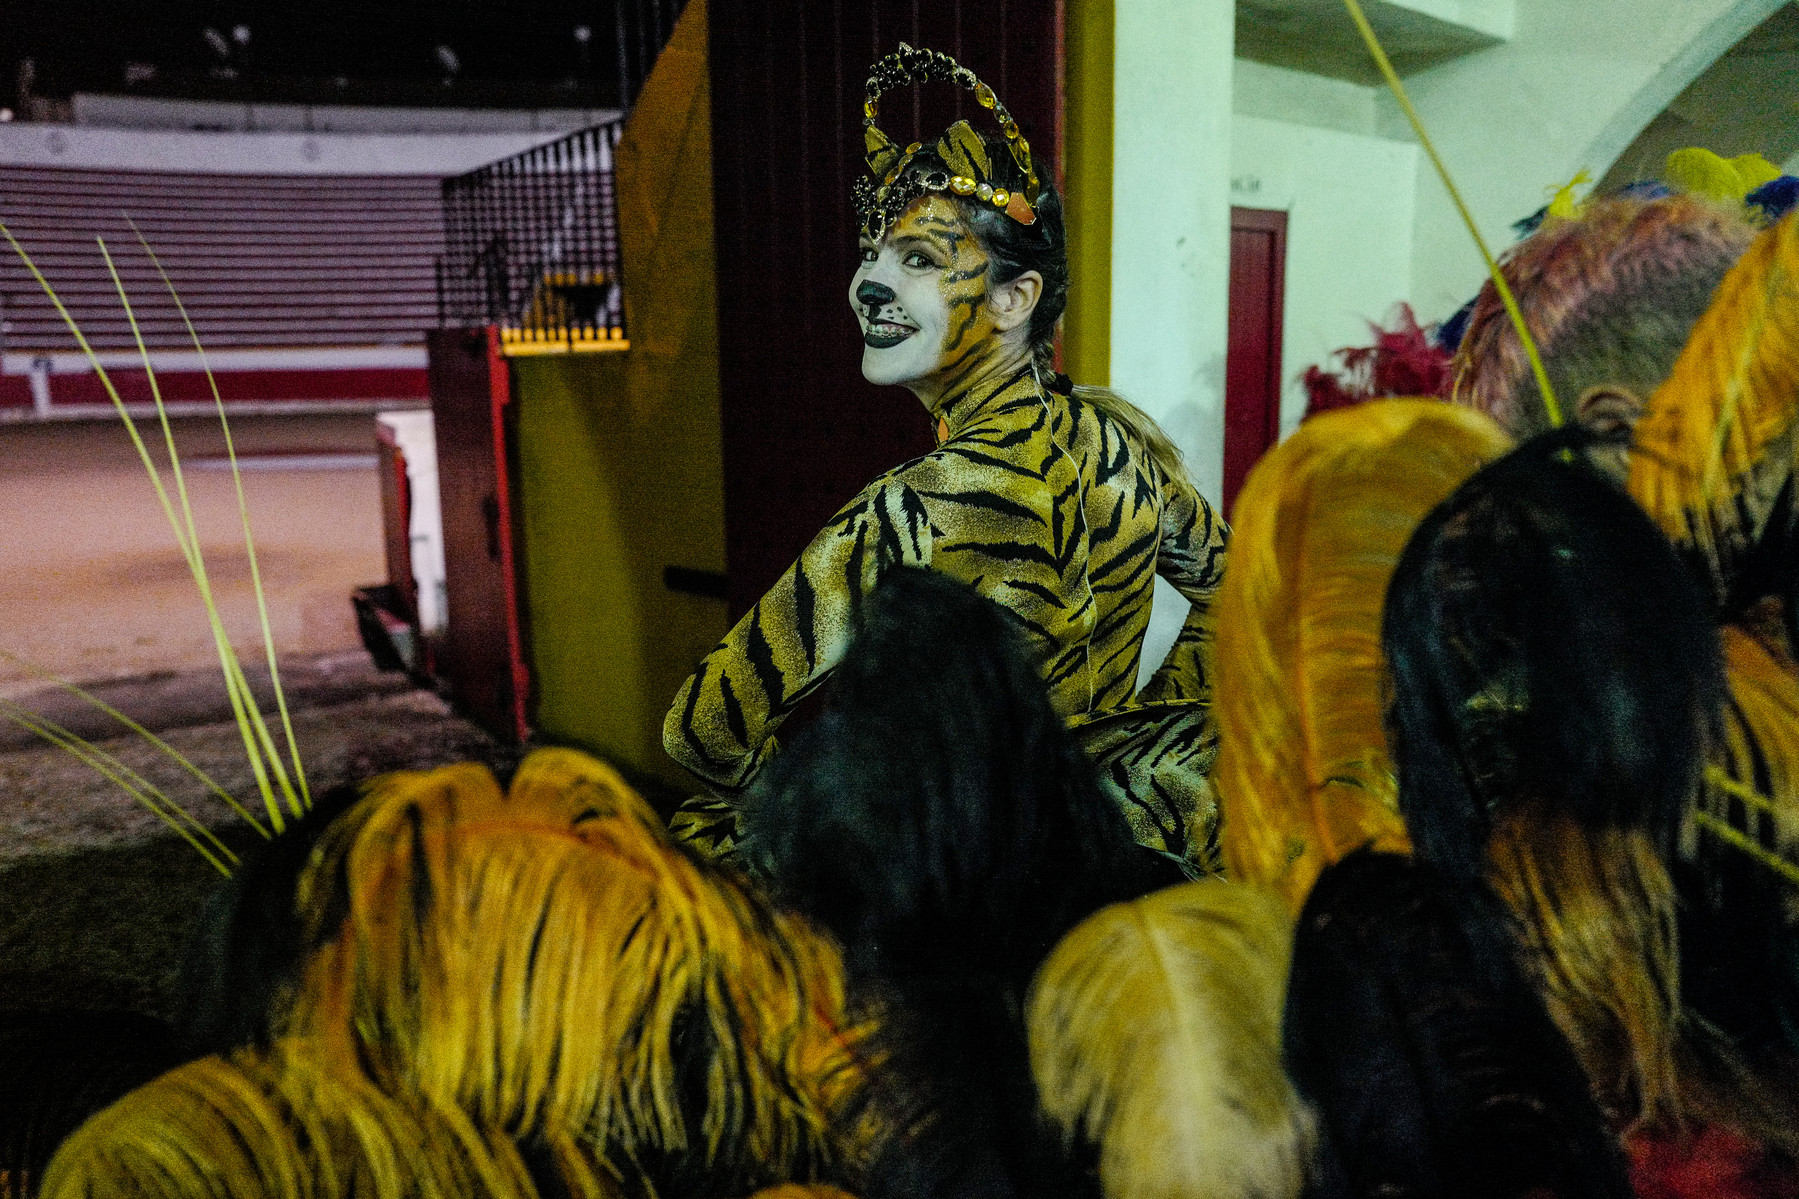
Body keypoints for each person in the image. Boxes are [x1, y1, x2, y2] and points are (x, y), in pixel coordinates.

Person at [662, 44, 1228, 868]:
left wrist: (844, 834)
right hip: (1107, 877)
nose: (869, 283)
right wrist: (1143, 756)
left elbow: (703, 729)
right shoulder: (1119, 446)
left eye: (917, 260)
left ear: (1013, 298)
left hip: (970, 909)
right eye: (872, 253)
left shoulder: (917, 508)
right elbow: (1237, 589)